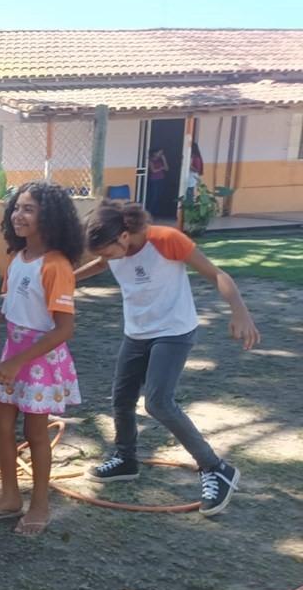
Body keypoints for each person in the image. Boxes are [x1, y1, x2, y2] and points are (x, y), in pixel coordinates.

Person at [76, 200, 260, 516]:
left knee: (158, 402)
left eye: (106, 251)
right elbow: (101, 265)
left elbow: (215, 273)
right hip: (137, 331)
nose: (104, 259)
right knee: (121, 398)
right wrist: (66, 279)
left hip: (173, 330)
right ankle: (125, 459)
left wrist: (239, 310)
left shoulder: (164, 239)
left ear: (123, 236)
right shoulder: (113, 249)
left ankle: (216, 468)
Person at [0, 181, 84, 536]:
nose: (18, 214)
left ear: (51, 217)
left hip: (40, 361)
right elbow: (12, 308)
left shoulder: (56, 265)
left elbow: (63, 329)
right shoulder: (18, 259)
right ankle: (10, 497)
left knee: (35, 432)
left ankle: (40, 505)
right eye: (16, 207)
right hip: (14, 355)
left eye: (28, 209)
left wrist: (19, 363)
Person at [146, 148, 169, 216]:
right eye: (160, 153)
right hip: (154, 180)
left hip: (161, 179)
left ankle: (156, 213)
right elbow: (153, 170)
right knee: (154, 196)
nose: (161, 154)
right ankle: (149, 212)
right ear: (155, 153)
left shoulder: (160, 160)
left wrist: (164, 160)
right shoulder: (151, 160)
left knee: (159, 196)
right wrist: (161, 168)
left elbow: (167, 168)